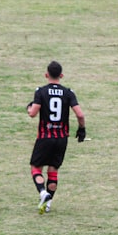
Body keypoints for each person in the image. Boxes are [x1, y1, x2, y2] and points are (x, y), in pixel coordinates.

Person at [27, 61, 86, 214]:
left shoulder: (40, 92)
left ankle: (42, 193)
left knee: (36, 168)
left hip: (45, 137)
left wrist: (29, 108)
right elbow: (80, 114)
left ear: (46, 75)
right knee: (53, 171)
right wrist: (82, 129)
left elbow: (33, 113)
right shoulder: (68, 92)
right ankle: (47, 205)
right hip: (61, 138)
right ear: (61, 75)